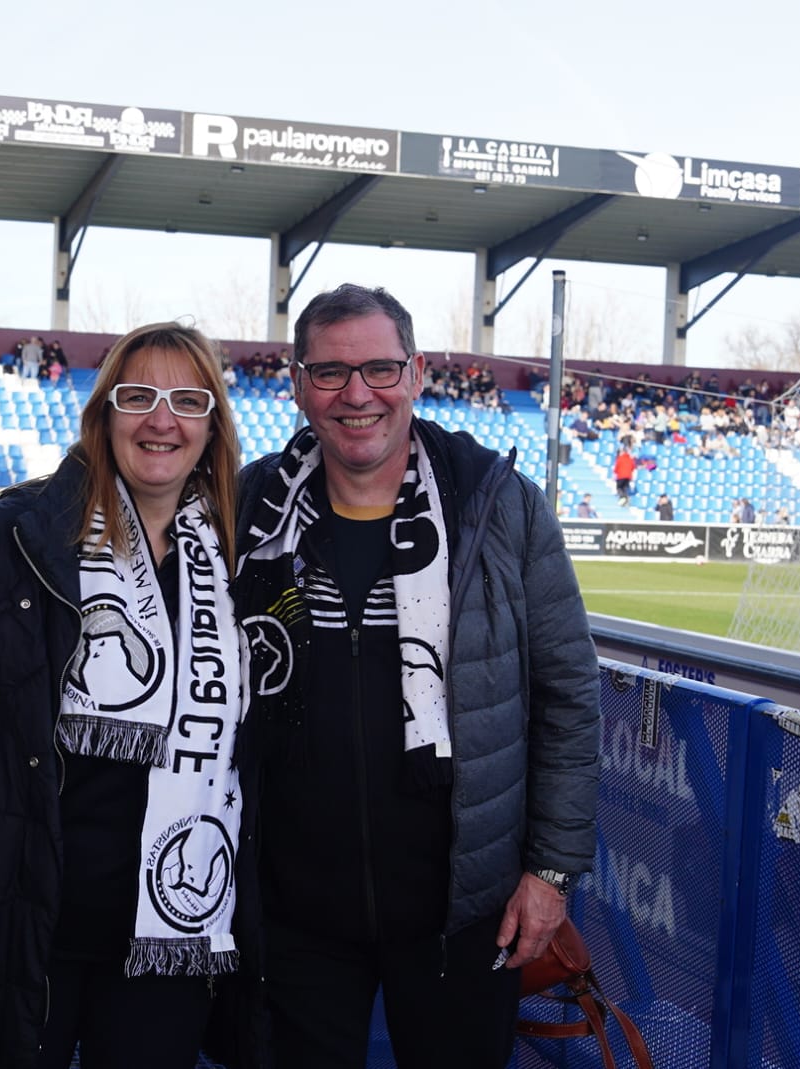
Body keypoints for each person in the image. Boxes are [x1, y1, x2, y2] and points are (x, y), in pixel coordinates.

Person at [0, 322, 250, 1069]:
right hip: (25, 917)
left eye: (187, 399)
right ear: (102, 417)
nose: (163, 419)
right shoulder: (15, 543)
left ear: (212, 424)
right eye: (138, 396)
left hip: (168, 938)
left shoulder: (241, 560)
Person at [233, 284, 600, 1069]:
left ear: (418, 372)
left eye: (379, 368)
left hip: (464, 912)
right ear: (298, 385)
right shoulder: (249, 505)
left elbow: (568, 696)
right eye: (329, 373)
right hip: (294, 914)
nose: (356, 393)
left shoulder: (499, 506)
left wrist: (550, 871)